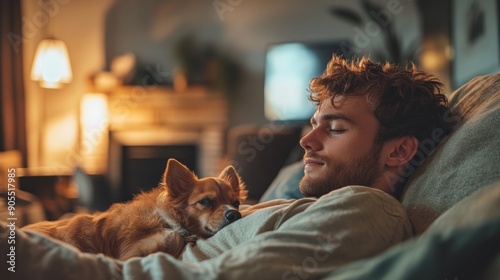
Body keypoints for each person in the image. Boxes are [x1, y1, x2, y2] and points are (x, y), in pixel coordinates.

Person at [0, 55, 453, 279]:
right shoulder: (295, 204)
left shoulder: (370, 211)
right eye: (314, 124)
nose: (305, 140)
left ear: (397, 152)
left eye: (334, 129)